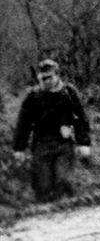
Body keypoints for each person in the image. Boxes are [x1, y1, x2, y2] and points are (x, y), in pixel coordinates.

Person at [12, 59, 92, 203]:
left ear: (57, 75)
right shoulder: (33, 96)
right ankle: (45, 215)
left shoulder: (68, 92)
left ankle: (65, 210)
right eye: (43, 78)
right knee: (43, 186)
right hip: (41, 144)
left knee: (63, 179)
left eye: (49, 77)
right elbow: (23, 123)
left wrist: (84, 143)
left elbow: (80, 118)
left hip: (64, 143)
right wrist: (19, 148)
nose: (46, 81)